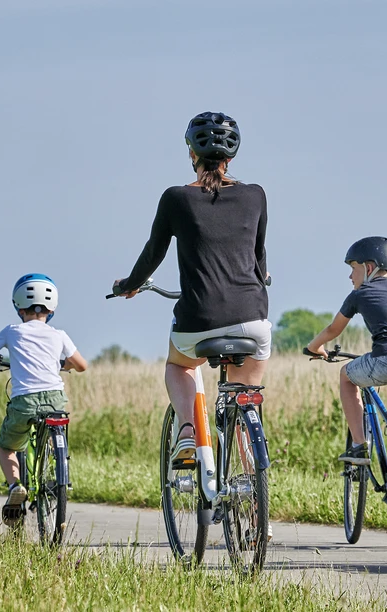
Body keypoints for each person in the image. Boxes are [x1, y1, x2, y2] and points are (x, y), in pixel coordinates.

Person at [112, 111, 271, 463]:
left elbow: (153, 253)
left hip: (198, 321)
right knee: (245, 398)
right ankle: (254, 492)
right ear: (232, 157)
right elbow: (259, 258)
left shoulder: (176, 198)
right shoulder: (256, 195)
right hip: (253, 319)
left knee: (180, 366)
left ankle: (187, 430)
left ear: (191, 154)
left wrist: (130, 285)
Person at [0, 273, 89, 525]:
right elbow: (81, 365)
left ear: (18, 306)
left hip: (24, 401)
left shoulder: (12, 332)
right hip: (55, 399)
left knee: (7, 446)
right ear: (52, 308)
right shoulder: (59, 334)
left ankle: (15, 486)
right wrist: (64, 365)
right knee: (53, 422)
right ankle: (53, 461)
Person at [305, 237, 387, 465]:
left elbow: (334, 329)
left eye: (353, 268)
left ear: (369, 267)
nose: (350, 276)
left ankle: (359, 446)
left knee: (346, 376)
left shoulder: (360, 293)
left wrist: (314, 347)